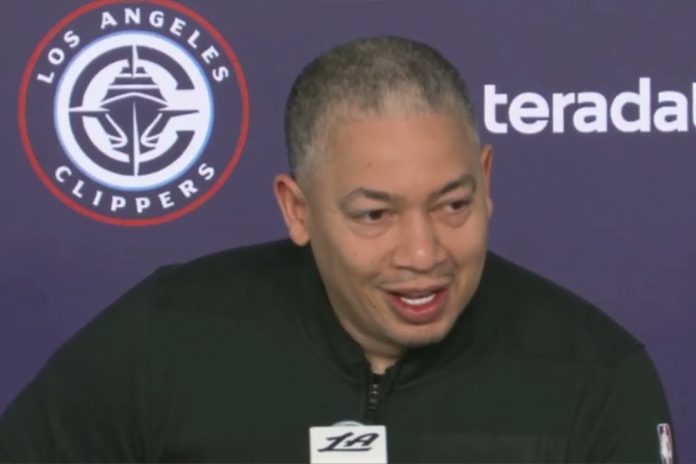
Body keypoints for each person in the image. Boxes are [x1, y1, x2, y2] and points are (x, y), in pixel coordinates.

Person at [0, 36, 675, 463]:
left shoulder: (595, 378)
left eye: (452, 205)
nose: (423, 253)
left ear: (487, 181)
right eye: (375, 215)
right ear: (297, 210)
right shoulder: (165, 337)